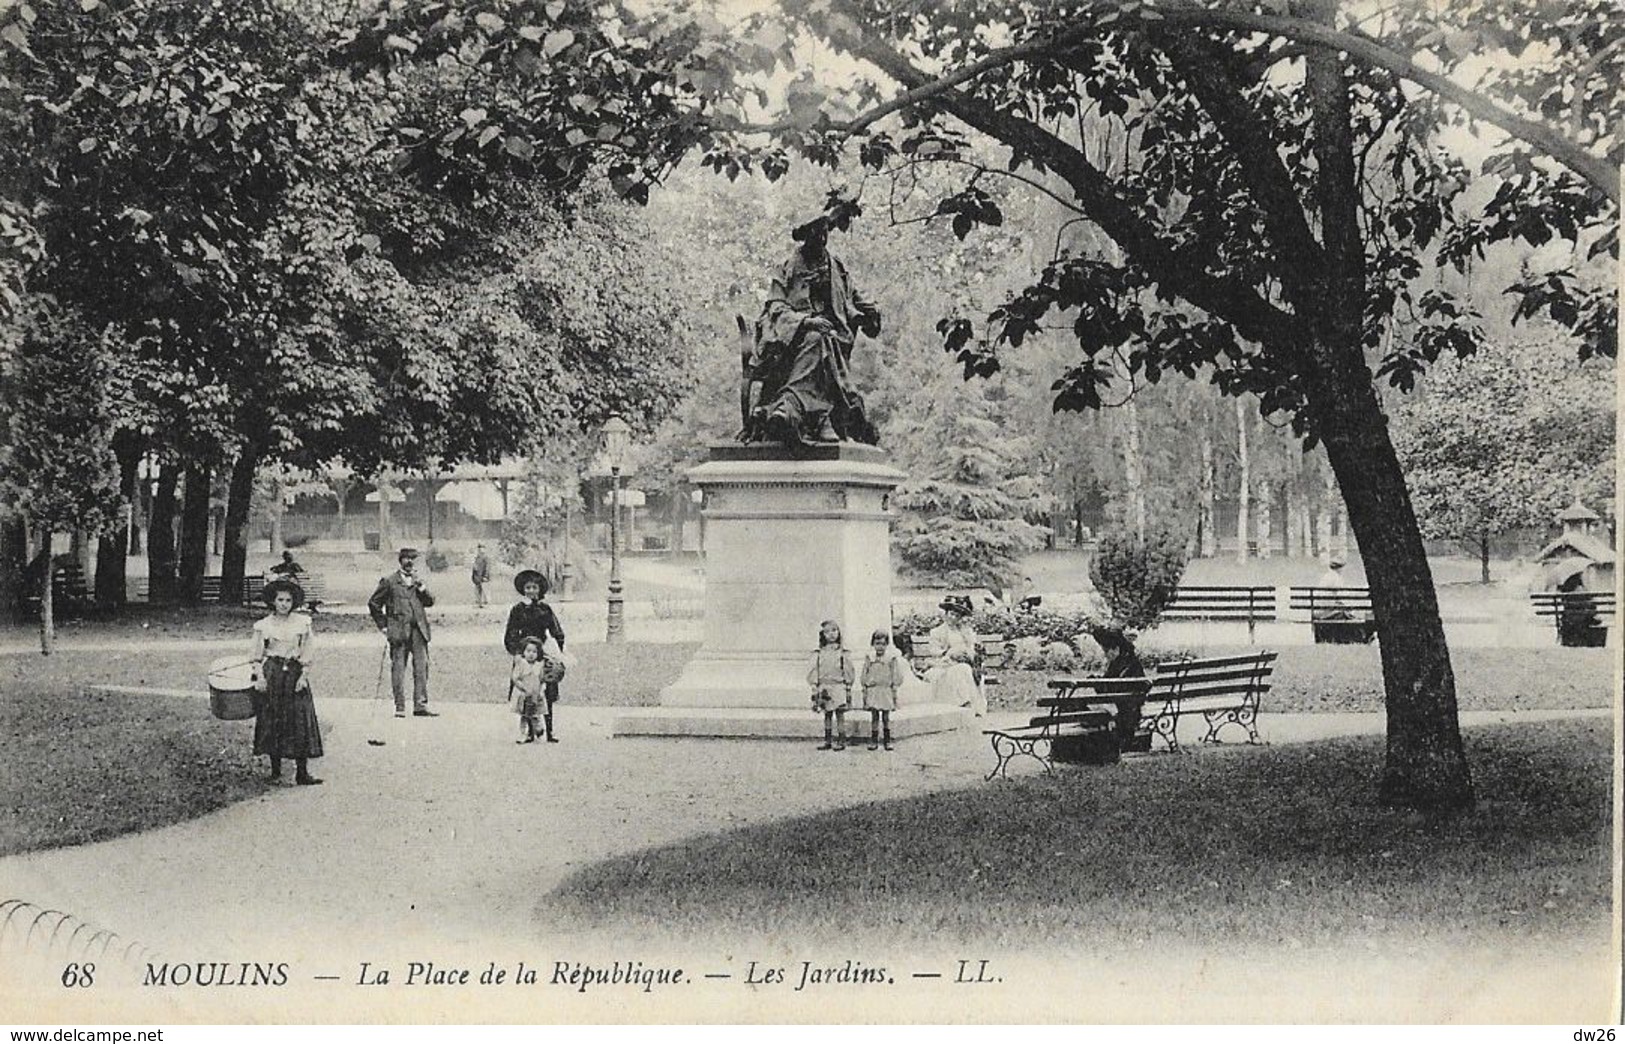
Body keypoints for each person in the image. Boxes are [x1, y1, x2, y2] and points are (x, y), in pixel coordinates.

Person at [744, 215, 882, 446]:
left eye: (825, 232)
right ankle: (817, 417)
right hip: (790, 340)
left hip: (834, 336)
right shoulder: (787, 269)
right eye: (816, 233)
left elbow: (854, 298)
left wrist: (870, 312)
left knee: (823, 339)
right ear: (804, 237)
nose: (822, 238)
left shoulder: (837, 267)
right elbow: (776, 306)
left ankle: (788, 408)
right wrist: (805, 322)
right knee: (817, 340)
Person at [251, 579, 323, 785]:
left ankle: (302, 772)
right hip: (273, 673)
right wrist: (261, 677)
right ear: (273, 602)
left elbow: (308, 650)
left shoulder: (302, 623)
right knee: (273, 718)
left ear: (294, 602)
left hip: (293, 673)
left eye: (288, 600)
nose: (284, 604)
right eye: (280, 600)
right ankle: (275, 771)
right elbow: (256, 655)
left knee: (300, 719)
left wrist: (303, 676)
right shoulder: (263, 626)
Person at [367, 547, 437, 718]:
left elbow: (430, 602)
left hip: (419, 631)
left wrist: (422, 588)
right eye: (406, 558)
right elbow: (374, 604)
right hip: (398, 631)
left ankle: (420, 705)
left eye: (413, 559)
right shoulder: (389, 581)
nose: (409, 562)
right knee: (398, 669)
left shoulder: (418, 581)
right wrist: (384, 626)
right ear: (400, 560)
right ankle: (400, 706)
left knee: (421, 668)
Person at [504, 569, 566, 742]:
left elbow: (557, 631)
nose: (531, 591)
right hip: (525, 655)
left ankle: (550, 731)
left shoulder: (545, 609)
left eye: (534, 588)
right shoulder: (517, 610)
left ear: (540, 590)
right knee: (525, 693)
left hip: (542, 654)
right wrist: (517, 653)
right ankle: (529, 731)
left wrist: (557, 652)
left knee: (546, 692)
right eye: (528, 588)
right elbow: (510, 634)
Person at [1091, 625, 1150, 753]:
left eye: (1106, 651)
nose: (1105, 655)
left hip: (1125, 710)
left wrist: (1096, 683)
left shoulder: (1121, 666)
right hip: (1133, 707)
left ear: (1116, 648)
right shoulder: (1130, 662)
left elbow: (1109, 690)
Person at [928, 595, 984, 718]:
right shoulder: (937, 632)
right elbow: (934, 650)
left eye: (957, 616)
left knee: (966, 669)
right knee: (962, 670)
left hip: (964, 662)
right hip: (945, 663)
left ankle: (975, 706)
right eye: (951, 614)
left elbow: (971, 648)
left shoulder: (965, 632)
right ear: (946, 614)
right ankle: (965, 702)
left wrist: (969, 654)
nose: (953, 618)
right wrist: (949, 653)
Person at [808, 619, 856, 751]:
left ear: (839, 632)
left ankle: (842, 740)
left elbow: (847, 669)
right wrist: (814, 685)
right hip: (825, 686)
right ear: (822, 634)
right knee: (827, 714)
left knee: (840, 714)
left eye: (834, 630)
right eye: (827, 631)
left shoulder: (842, 652)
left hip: (839, 685)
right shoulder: (819, 652)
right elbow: (815, 669)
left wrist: (848, 685)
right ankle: (827, 740)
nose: (831, 634)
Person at [861, 629, 907, 752]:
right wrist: (865, 685)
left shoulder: (891, 658)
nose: (880, 647)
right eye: (877, 644)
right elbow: (865, 672)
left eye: (882, 644)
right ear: (873, 644)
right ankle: (874, 740)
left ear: (887, 645)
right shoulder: (869, 657)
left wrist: (894, 686)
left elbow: (895, 673)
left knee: (886, 716)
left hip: (885, 689)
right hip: (874, 689)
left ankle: (887, 740)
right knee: (874, 715)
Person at [508, 635, 548, 744]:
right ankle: (523, 734)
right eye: (528, 651)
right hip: (524, 694)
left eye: (534, 652)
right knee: (524, 716)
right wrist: (522, 687)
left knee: (536, 715)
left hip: (536, 694)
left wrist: (541, 689)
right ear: (524, 652)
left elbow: (542, 679)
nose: (531, 654)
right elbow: (515, 678)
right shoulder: (521, 664)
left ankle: (539, 731)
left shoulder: (539, 666)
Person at [470, 543, 492, 608]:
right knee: (478, 590)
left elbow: (487, 567)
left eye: (482, 548)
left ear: (484, 549)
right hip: (477, 577)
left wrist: (485, 576)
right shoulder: (477, 558)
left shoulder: (486, 558)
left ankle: (487, 604)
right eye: (479, 548)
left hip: (483, 577)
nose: (480, 550)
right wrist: (474, 577)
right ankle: (479, 603)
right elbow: (474, 568)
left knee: (485, 590)